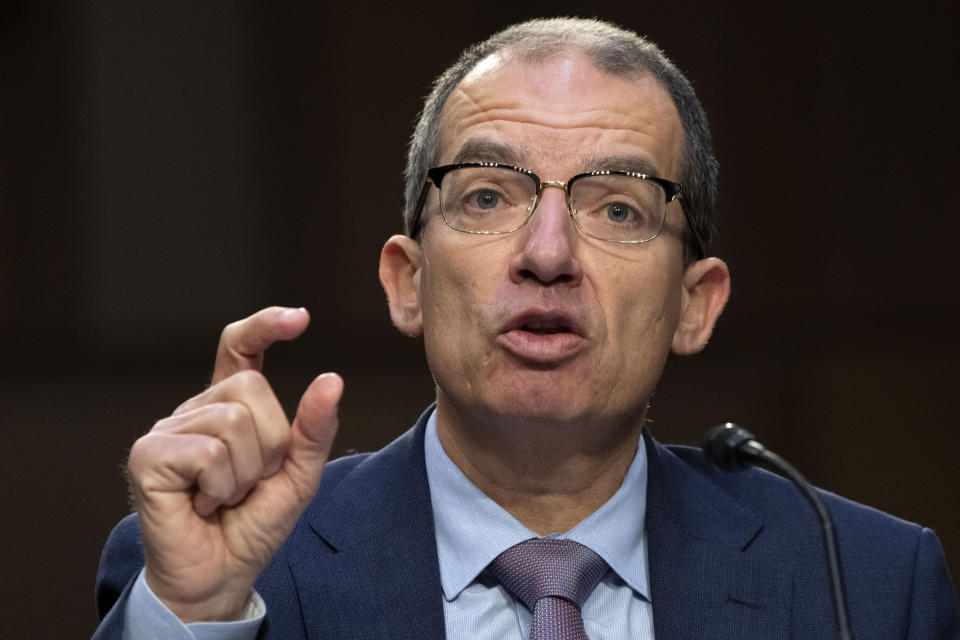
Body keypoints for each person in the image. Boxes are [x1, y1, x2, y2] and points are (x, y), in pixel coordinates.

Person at [93, 17, 959, 640]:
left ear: (696, 303)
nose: (548, 254)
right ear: (409, 281)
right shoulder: (234, 572)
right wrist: (193, 623)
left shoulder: (868, 587)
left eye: (619, 207)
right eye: (486, 196)